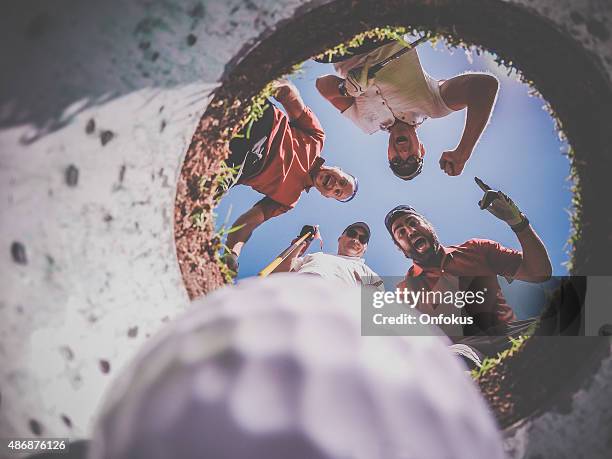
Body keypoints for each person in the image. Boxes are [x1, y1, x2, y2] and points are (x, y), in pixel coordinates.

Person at [384, 177, 552, 363]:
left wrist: (517, 221)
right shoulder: (405, 291)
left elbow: (540, 273)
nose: (410, 231)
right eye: (400, 232)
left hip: (510, 332)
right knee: (456, 359)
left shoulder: (476, 249)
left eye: (413, 223)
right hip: (463, 352)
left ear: (429, 226)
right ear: (400, 247)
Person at [315, 36, 499, 180]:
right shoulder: (434, 106)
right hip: (383, 33)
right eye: (412, 158)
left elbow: (322, 86)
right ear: (422, 149)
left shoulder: (365, 124)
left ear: (388, 155)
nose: (403, 153)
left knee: (315, 51)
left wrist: (345, 90)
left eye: (396, 161)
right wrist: (462, 153)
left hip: (340, 49)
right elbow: (484, 86)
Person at [223, 80, 358, 274]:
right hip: (261, 122)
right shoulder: (316, 138)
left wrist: (233, 253)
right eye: (342, 180)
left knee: (210, 188)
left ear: (326, 196)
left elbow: (249, 222)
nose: (335, 185)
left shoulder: (288, 201)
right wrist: (265, 82)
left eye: (337, 192)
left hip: (242, 166)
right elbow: (290, 96)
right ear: (337, 169)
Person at [273, 222, 384, 291]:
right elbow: (276, 275)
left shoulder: (368, 273)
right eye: (351, 234)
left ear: (365, 248)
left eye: (362, 239)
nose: (356, 240)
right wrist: (301, 244)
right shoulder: (314, 256)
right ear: (340, 238)